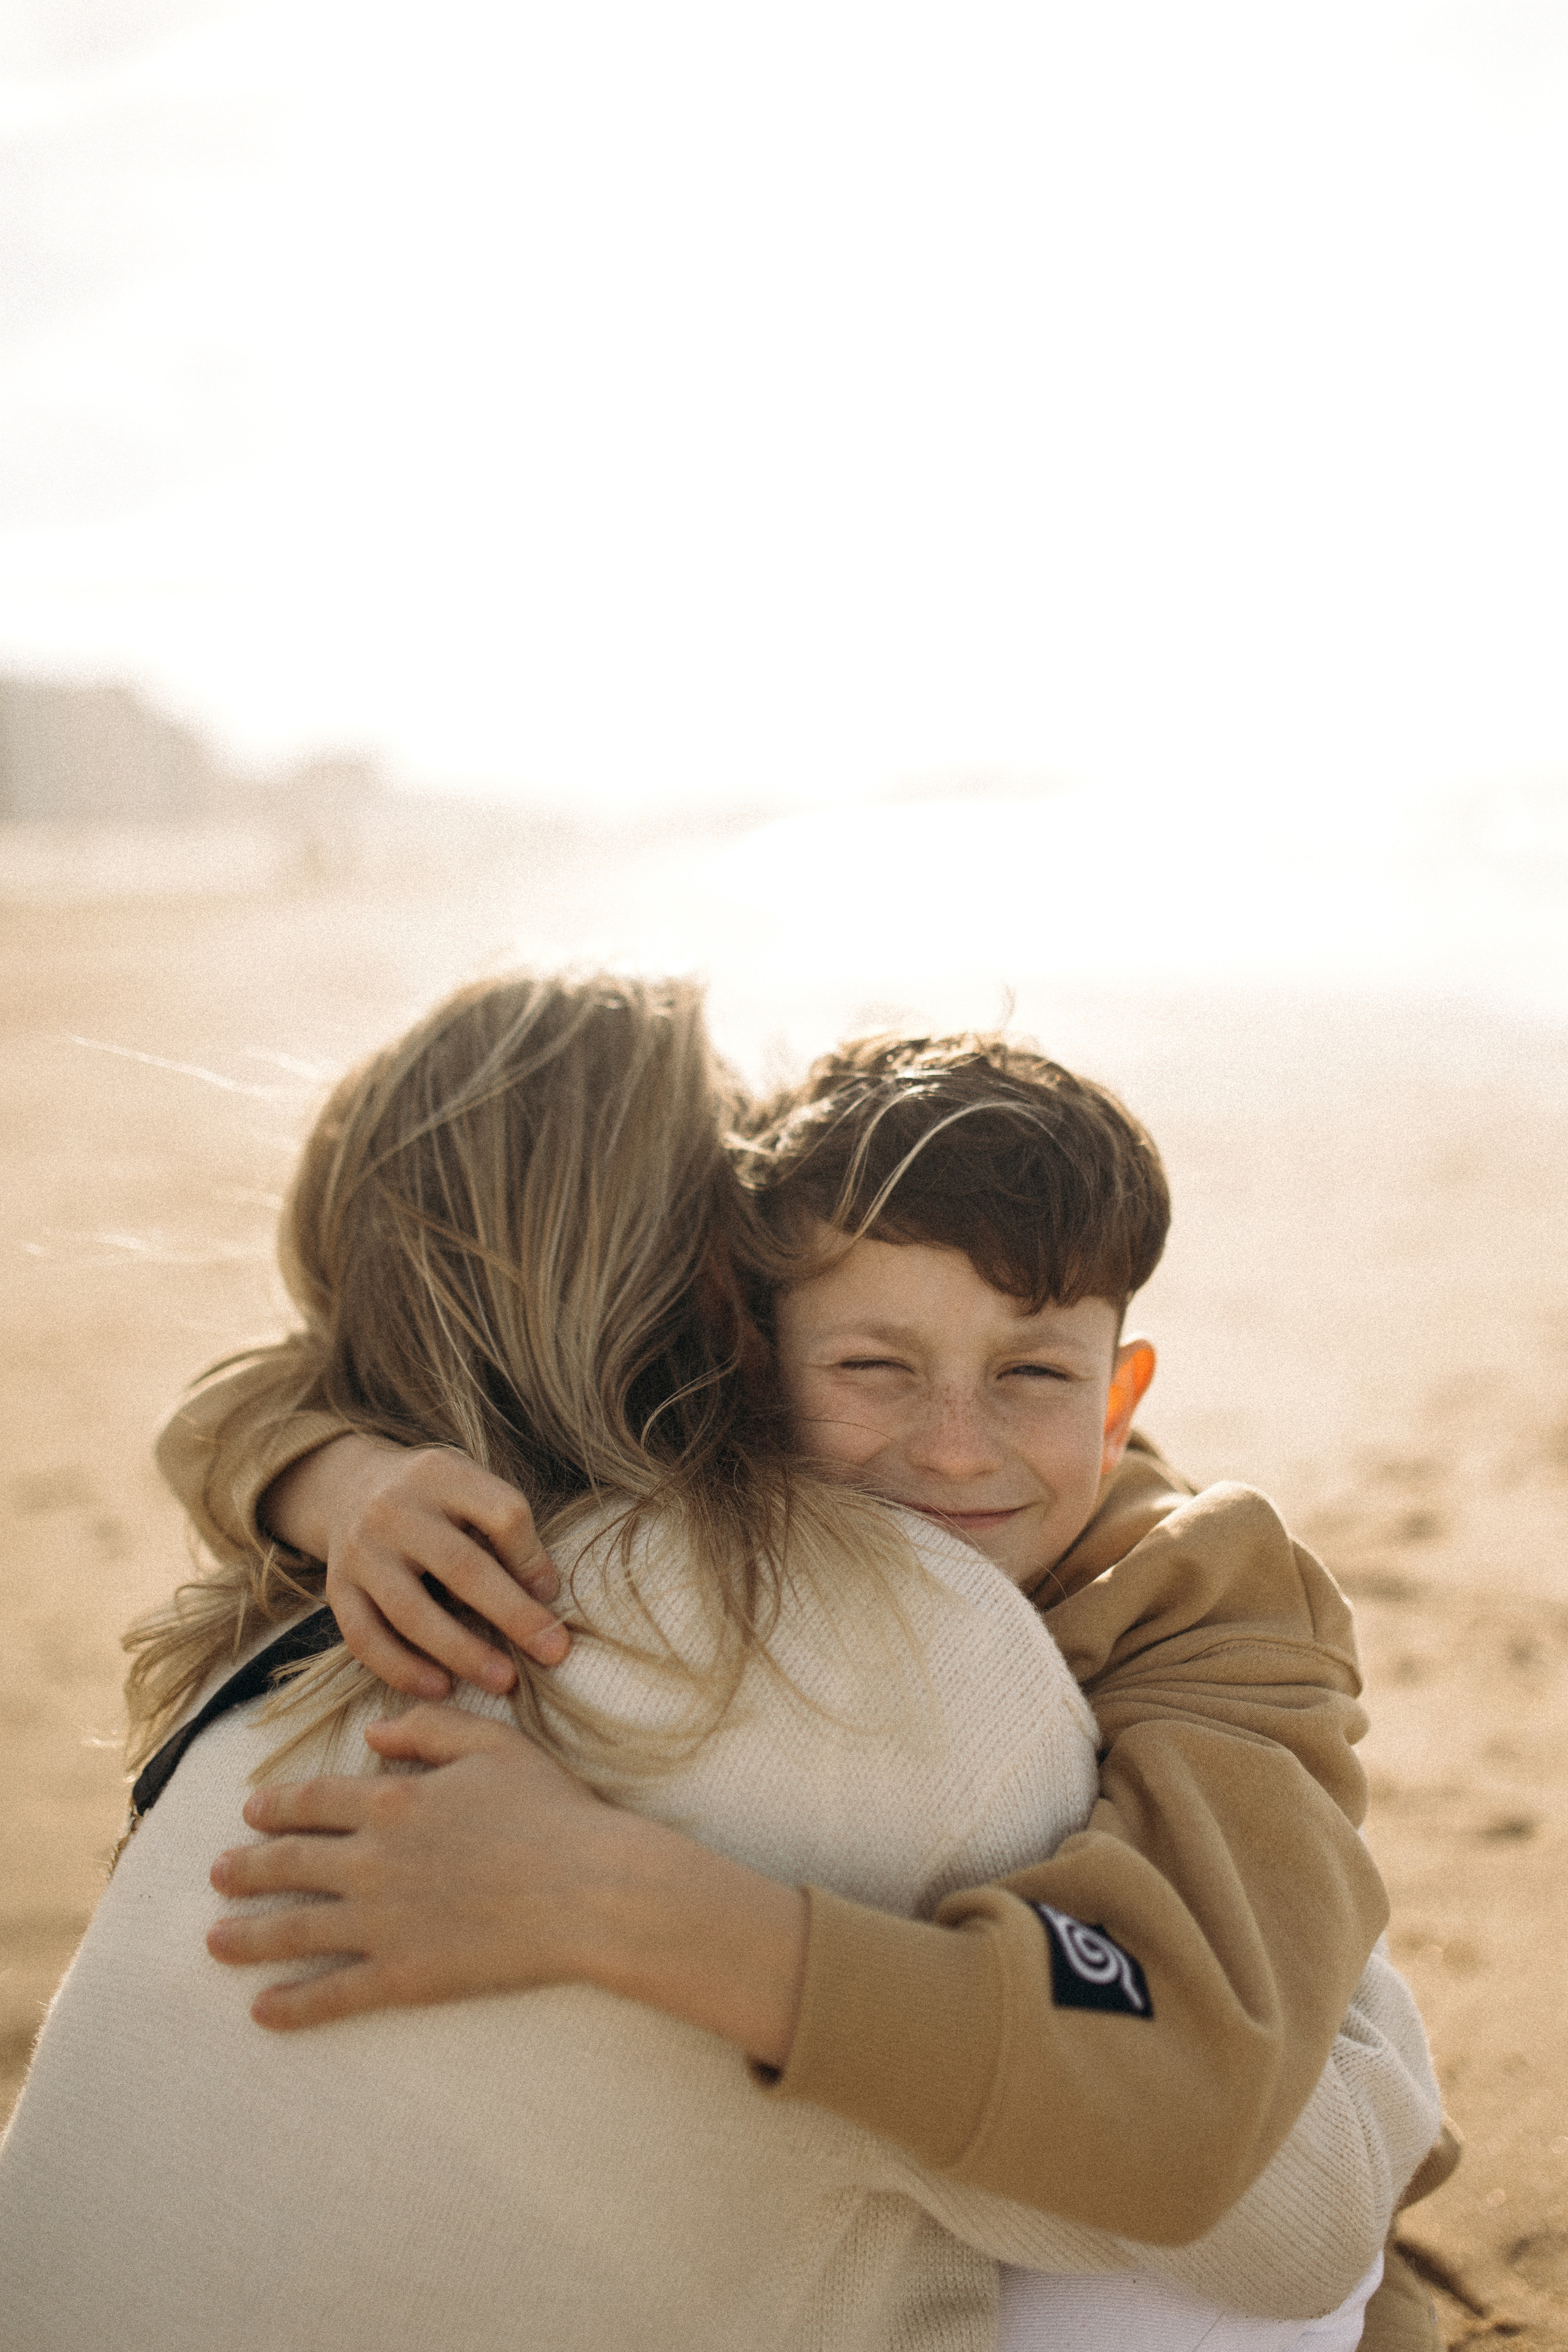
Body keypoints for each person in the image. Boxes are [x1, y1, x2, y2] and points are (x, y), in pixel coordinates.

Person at [148, 1010, 1446, 2344]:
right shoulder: (730, 1493)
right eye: (873, 1369)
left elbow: (1207, 2107)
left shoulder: (1208, 1597)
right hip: (1030, 2074)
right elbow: (255, 1387)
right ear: (744, 1363)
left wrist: (606, 1895)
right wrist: (331, 1472)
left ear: (1113, 1405)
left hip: (1221, 2079)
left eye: (1032, 1374)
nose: (953, 1451)